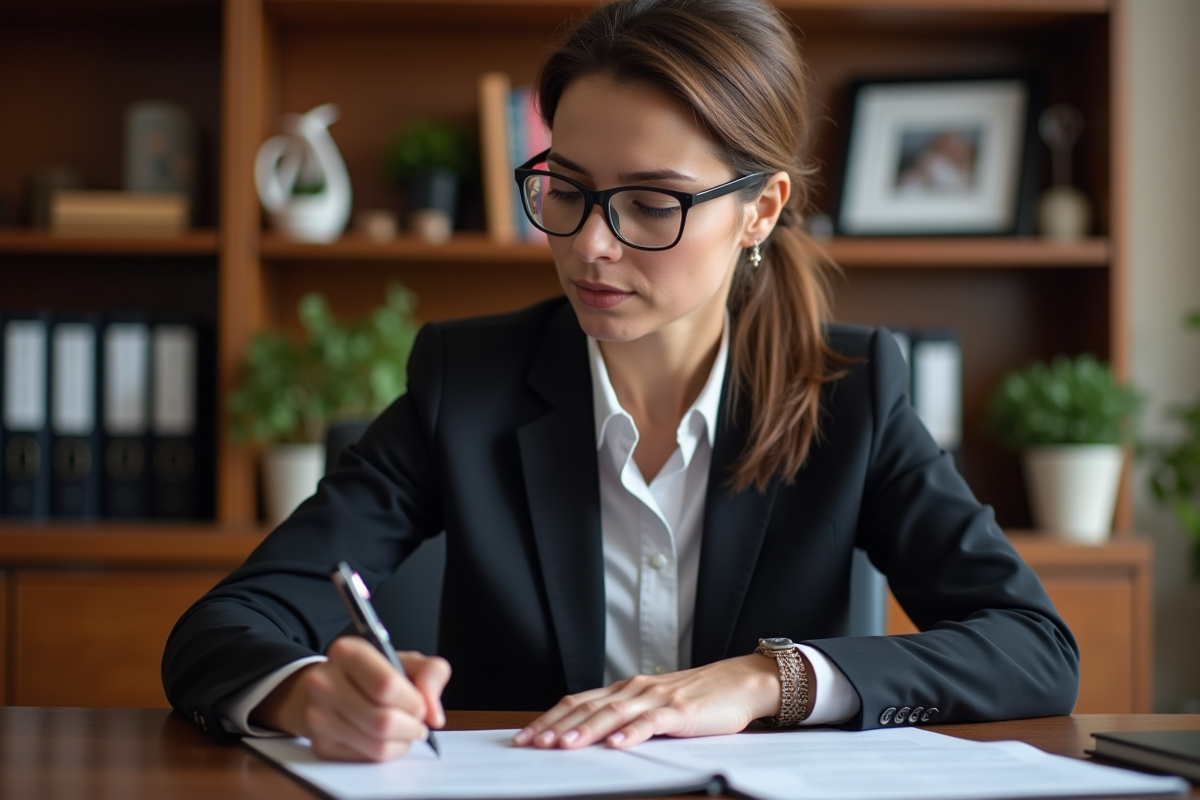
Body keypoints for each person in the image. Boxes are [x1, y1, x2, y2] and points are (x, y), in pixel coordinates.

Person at [163, 0, 1079, 763]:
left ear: (759, 210)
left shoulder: (850, 392)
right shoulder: (467, 385)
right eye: (566, 189)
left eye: (652, 203)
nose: (590, 244)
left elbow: (1034, 647)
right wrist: (310, 694)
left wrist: (768, 679)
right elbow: (224, 626)